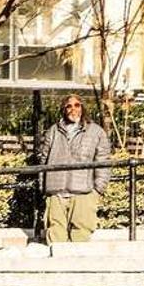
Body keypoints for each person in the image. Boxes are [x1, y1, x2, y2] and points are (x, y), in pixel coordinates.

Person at [37, 95, 111, 245]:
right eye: (68, 106)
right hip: (56, 192)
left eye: (77, 105)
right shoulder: (53, 131)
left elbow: (103, 162)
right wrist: (43, 187)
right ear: (64, 110)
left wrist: (97, 190)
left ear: (83, 108)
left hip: (83, 192)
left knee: (81, 237)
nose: (73, 109)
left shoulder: (96, 132)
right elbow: (43, 161)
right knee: (55, 237)